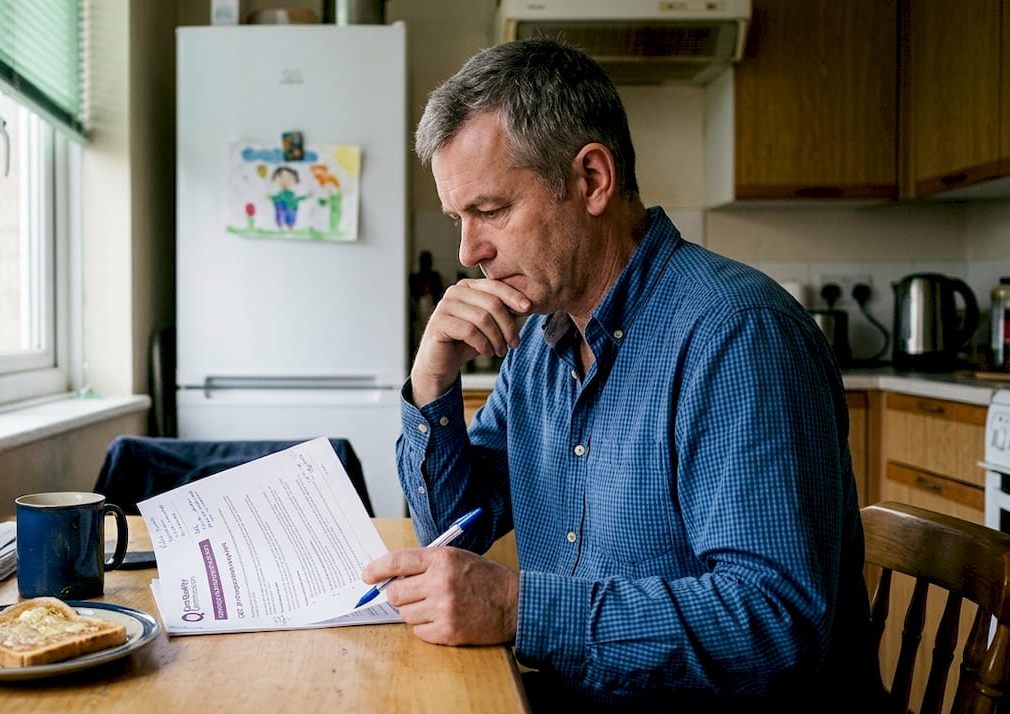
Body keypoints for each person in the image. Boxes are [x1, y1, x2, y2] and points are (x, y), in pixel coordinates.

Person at [359, 38, 881, 711]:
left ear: (592, 180)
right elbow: (457, 527)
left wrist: (522, 608)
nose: (470, 253)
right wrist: (432, 380)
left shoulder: (736, 336)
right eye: (459, 220)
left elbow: (776, 621)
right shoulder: (538, 344)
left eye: (489, 211)